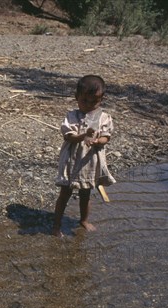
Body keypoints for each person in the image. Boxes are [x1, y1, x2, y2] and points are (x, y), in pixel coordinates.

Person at [52, 75, 116, 237]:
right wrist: (83, 135)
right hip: (71, 161)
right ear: (76, 97)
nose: (88, 106)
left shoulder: (104, 117)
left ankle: (84, 220)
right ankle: (56, 224)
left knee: (85, 193)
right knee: (65, 192)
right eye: (84, 101)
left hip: (89, 162)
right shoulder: (72, 116)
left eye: (93, 102)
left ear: (101, 99)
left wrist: (97, 141)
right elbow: (69, 136)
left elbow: (106, 137)